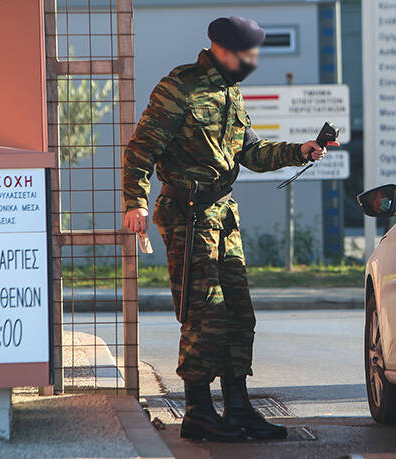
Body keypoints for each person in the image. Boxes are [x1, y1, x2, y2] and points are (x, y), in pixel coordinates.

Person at [121, 16, 326, 442]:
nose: (252, 63)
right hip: (186, 215)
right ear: (221, 48)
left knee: (238, 314)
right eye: (247, 55)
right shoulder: (179, 88)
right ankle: (198, 410)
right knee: (204, 313)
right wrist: (135, 202)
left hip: (222, 215)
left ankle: (237, 408)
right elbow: (142, 149)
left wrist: (300, 150)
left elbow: (250, 151)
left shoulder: (230, 92)